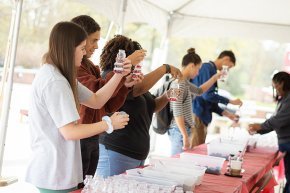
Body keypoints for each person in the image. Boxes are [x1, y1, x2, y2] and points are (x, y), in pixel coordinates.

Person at [25, 22, 130, 193]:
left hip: (60, 169)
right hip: (54, 172)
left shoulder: (61, 75)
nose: (85, 52)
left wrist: (118, 75)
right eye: (82, 48)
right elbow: (70, 132)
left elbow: (96, 100)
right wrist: (108, 124)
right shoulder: (55, 81)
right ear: (68, 48)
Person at [96, 35, 182, 177]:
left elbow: (152, 106)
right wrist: (164, 68)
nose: (137, 65)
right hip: (116, 151)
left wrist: (167, 96)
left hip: (136, 155)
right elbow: (137, 90)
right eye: (136, 59)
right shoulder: (110, 78)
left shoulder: (132, 78)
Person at [71, 15, 145, 181]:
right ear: (78, 39)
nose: (96, 46)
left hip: (93, 137)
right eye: (93, 41)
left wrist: (125, 84)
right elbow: (95, 95)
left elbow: (106, 104)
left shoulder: (90, 66)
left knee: (86, 185)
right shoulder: (74, 68)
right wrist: (122, 69)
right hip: (81, 138)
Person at [168, 48, 221, 156]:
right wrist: (185, 135)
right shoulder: (178, 83)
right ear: (191, 65)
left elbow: (199, 91)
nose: (198, 74)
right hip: (179, 131)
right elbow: (177, 111)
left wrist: (215, 78)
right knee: (176, 165)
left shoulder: (184, 82)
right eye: (198, 69)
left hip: (181, 131)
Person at [248, 71, 290, 193]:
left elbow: (279, 120)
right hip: (285, 142)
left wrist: (260, 126)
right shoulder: (284, 99)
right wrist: (259, 129)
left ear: (282, 83)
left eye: (275, 85)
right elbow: (276, 121)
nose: (275, 89)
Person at [190, 50, 243, 147]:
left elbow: (210, 101)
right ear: (226, 59)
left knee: (198, 148)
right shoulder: (207, 68)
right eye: (229, 66)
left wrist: (227, 114)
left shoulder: (212, 70)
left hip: (202, 116)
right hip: (198, 114)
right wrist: (231, 101)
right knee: (194, 150)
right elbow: (207, 95)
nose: (228, 70)